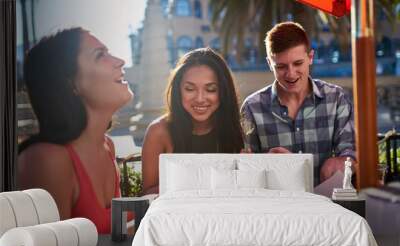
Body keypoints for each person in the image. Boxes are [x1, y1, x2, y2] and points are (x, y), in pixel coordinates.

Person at [17, 27, 133, 233]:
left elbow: (114, 232)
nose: (120, 61)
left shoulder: (108, 147)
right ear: (71, 83)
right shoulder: (47, 160)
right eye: (100, 55)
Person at [241, 22, 356, 186]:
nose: (290, 73)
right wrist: (265, 164)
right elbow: (245, 169)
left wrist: (344, 160)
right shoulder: (252, 108)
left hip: (328, 206)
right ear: (269, 64)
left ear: (310, 57)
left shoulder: (336, 98)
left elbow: (350, 150)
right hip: (279, 206)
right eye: (280, 66)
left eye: (297, 63)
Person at [142, 47, 244, 194]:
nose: (200, 99)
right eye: (190, 89)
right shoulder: (158, 132)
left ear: (223, 92)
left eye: (211, 89)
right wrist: (204, 182)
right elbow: (147, 194)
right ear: (178, 90)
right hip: (176, 215)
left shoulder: (236, 128)